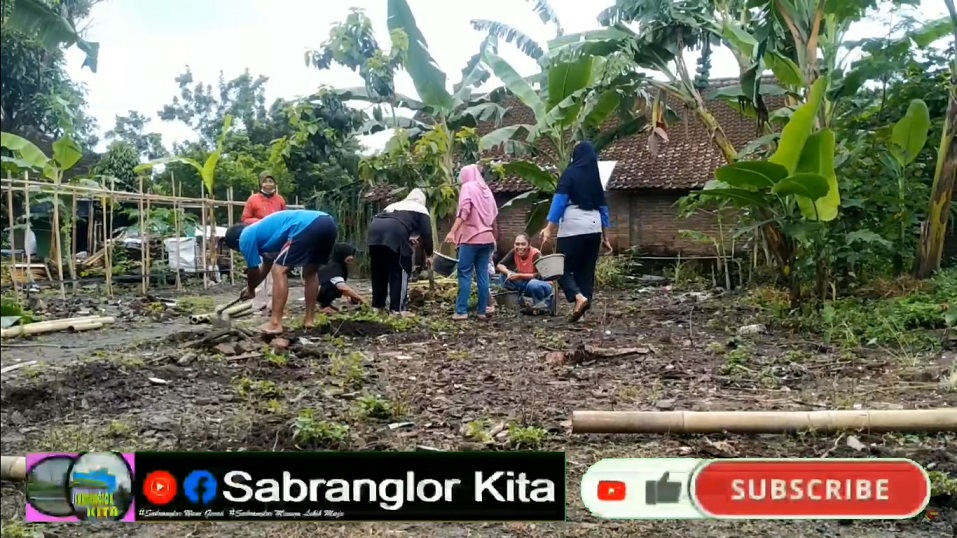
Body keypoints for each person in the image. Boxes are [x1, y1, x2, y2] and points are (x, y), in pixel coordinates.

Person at [223, 210, 337, 334]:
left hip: (306, 226)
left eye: (237, 249)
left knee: (279, 270)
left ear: (237, 242)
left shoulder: (245, 237)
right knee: (310, 271)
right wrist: (251, 287)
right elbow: (264, 268)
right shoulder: (265, 234)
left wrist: (251, 289)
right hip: (327, 223)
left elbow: (253, 270)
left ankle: (275, 323)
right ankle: (309, 320)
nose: (241, 251)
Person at [539, 141, 613, 322]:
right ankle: (582, 314)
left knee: (560, 268)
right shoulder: (595, 179)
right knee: (586, 271)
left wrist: (549, 228)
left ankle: (578, 298)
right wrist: (606, 237)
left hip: (573, 226)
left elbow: (559, 203)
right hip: (594, 227)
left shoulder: (570, 174)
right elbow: (604, 210)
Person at [445, 164, 498, 321]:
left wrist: (452, 231)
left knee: (465, 273)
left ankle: (461, 310)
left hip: (471, 239)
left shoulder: (467, 187)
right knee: (483, 273)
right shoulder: (485, 189)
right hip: (487, 238)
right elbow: (494, 213)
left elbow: (464, 211)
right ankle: (482, 311)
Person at [368, 188, 433, 315]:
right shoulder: (420, 209)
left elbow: (393, 221)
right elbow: (427, 234)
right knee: (401, 269)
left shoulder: (394, 206)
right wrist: (429, 255)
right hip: (395, 230)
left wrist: (406, 238)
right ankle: (397, 309)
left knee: (379, 270)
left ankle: (377, 306)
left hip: (375, 229)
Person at [240, 172, 287, 314]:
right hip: (259, 238)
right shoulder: (253, 199)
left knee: (275, 270)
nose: (268, 184)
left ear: (275, 183)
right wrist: (262, 222)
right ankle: (258, 303)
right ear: (261, 183)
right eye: (265, 181)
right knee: (259, 268)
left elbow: (284, 217)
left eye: (271, 181)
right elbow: (245, 218)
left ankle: (273, 304)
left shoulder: (279, 199)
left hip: (276, 238)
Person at [496, 233, 553, 310]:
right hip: (524, 283)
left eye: (523, 244)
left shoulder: (535, 254)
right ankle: (516, 301)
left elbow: (541, 275)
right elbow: (500, 265)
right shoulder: (514, 252)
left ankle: (540, 305)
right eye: (517, 244)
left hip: (541, 284)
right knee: (503, 275)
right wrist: (508, 272)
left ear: (529, 245)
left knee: (533, 284)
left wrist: (519, 276)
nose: (520, 247)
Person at [317, 243, 364, 314]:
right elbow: (343, 288)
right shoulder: (334, 268)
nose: (351, 257)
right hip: (320, 294)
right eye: (348, 254)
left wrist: (353, 297)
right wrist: (361, 299)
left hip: (322, 293)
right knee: (334, 287)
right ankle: (324, 306)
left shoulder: (338, 265)